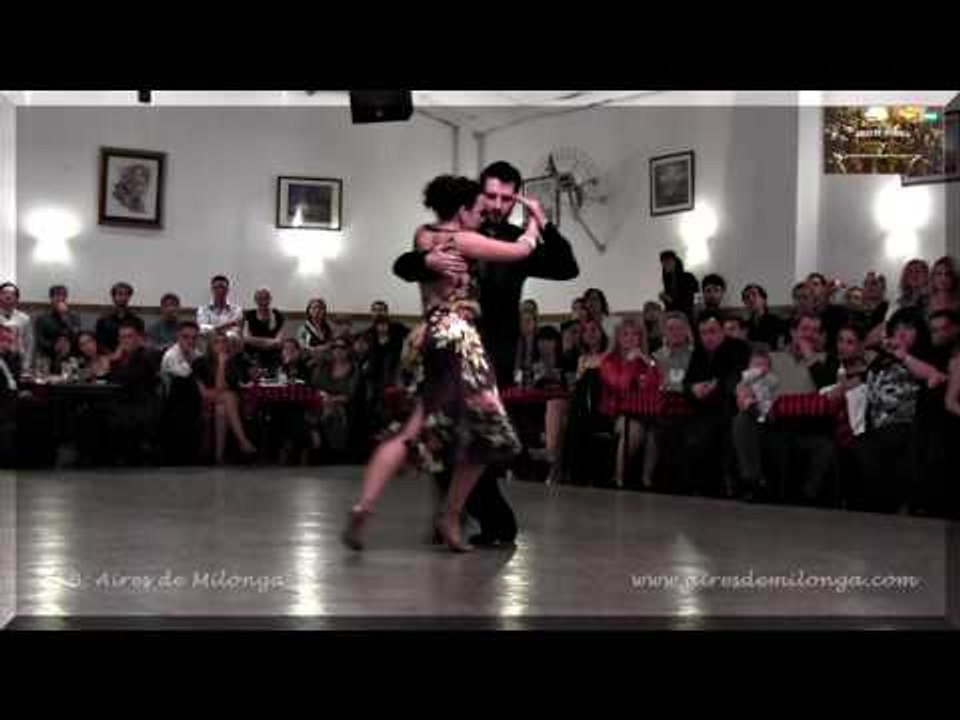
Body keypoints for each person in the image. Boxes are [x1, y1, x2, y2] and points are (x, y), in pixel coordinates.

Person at [343, 174, 545, 552]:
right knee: (490, 434)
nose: (483, 217)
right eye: (479, 210)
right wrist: (535, 219)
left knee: (410, 430)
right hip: (459, 339)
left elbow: (416, 261)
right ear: (462, 209)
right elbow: (521, 250)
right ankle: (450, 514)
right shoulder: (463, 239)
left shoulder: (423, 234)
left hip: (428, 336)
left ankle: (365, 505)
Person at [392, 161, 579, 547]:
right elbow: (403, 264)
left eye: (506, 198)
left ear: (516, 199)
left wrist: (541, 221)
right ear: (478, 194)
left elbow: (567, 268)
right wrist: (424, 261)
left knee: (479, 443)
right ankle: (460, 518)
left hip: (496, 352)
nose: (497, 204)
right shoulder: (454, 233)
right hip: (450, 348)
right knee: (447, 439)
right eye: (490, 195)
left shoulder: (516, 240)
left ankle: (484, 522)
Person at [681, 310, 750, 497]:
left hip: (730, 408)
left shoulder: (738, 347)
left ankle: (728, 484)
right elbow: (687, 383)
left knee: (724, 427)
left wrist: (714, 386)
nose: (708, 337)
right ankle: (700, 486)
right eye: (703, 333)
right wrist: (693, 390)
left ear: (722, 331)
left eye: (712, 331)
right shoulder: (699, 352)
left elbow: (736, 378)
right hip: (704, 410)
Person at [598, 318, 660, 489]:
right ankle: (619, 480)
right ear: (617, 338)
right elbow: (621, 385)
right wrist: (631, 363)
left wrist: (648, 365)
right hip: (616, 412)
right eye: (625, 334)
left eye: (635, 334)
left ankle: (646, 482)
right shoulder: (608, 361)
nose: (631, 338)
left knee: (655, 431)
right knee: (634, 428)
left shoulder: (648, 360)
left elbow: (653, 385)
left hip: (644, 409)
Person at [192, 330, 257, 464]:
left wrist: (223, 365)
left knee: (222, 407)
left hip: (227, 401)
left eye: (224, 342)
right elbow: (207, 392)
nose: (221, 345)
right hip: (205, 398)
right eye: (217, 342)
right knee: (227, 397)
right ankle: (243, 441)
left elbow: (226, 388)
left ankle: (218, 456)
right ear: (210, 345)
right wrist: (221, 365)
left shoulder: (232, 363)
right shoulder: (200, 362)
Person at [103, 320, 159, 465]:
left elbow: (125, 378)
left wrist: (113, 361)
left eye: (129, 336)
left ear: (138, 338)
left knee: (107, 415)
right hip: (124, 401)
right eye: (122, 337)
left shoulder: (147, 355)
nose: (125, 340)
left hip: (140, 404)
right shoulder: (124, 356)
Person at [160, 321, 202, 464]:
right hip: (171, 403)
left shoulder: (197, 353)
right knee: (184, 384)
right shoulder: (171, 355)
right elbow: (184, 375)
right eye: (186, 337)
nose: (190, 341)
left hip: (192, 401)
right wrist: (191, 360)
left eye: (194, 338)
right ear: (177, 337)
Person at [33, 285, 82, 362]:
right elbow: (39, 340)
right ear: (51, 298)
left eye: (63, 295)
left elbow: (77, 337)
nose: (60, 298)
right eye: (57, 295)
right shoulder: (42, 318)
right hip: (48, 357)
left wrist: (65, 318)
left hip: (70, 358)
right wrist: (54, 345)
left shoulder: (74, 317)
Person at [243, 287, 286, 375]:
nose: (263, 301)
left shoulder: (278, 315)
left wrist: (256, 340)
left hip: (274, 356)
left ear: (270, 299)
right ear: (255, 300)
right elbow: (246, 338)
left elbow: (279, 342)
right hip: (252, 356)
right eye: (260, 298)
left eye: (266, 298)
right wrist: (269, 342)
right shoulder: (249, 315)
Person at [95, 282, 145, 354]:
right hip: (110, 359)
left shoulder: (138, 321)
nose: (123, 298)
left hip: (132, 359)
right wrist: (114, 355)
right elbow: (100, 344)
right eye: (120, 294)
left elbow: (140, 343)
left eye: (126, 294)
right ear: (113, 297)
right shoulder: (102, 321)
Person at [197, 275, 244, 344]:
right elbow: (202, 331)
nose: (220, 291)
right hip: (209, 347)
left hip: (229, 347)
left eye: (223, 287)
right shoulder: (203, 310)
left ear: (227, 290)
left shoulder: (237, 310)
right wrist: (225, 326)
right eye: (216, 288)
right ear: (212, 290)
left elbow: (234, 334)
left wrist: (213, 329)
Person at [741, 283, 786, 350]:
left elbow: (775, 346)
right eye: (747, 297)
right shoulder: (744, 325)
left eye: (754, 294)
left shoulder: (776, 321)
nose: (750, 299)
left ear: (763, 299)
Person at [0, 282, 34, 371]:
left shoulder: (24, 318)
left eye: (12, 294)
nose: (8, 296)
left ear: (17, 299)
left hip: (17, 361)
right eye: (4, 293)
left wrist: (26, 365)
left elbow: (29, 344)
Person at [659, 250, 698, 323]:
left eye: (668, 262)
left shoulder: (688, 277)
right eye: (663, 263)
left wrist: (669, 299)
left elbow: (690, 299)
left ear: (675, 262)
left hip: (686, 316)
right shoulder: (667, 280)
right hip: (672, 316)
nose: (665, 265)